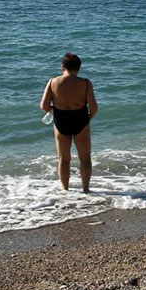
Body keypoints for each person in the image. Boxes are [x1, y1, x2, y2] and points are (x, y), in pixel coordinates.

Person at [40, 53, 98, 192]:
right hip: (81, 119)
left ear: (63, 66)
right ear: (79, 68)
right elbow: (94, 107)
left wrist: (55, 109)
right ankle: (85, 190)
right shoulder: (85, 83)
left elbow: (44, 106)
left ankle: (65, 190)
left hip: (61, 120)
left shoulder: (53, 82)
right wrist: (88, 119)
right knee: (85, 158)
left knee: (64, 159)